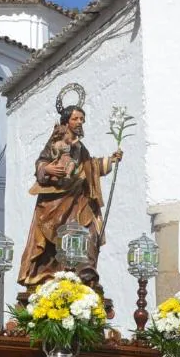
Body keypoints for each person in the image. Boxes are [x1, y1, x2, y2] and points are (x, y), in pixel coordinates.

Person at [17, 99, 123, 294]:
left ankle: (85, 274)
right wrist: (47, 168)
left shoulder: (81, 147)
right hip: (55, 200)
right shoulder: (57, 139)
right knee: (54, 239)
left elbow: (89, 166)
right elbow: (41, 162)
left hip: (78, 200)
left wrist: (110, 160)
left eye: (82, 118)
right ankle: (48, 275)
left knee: (89, 231)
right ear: (66, 121)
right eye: (76, 118)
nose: (80, 122)